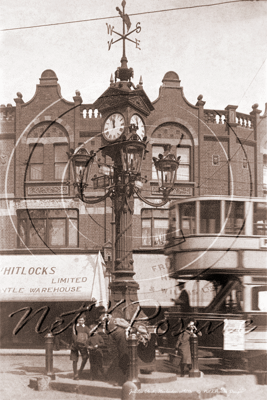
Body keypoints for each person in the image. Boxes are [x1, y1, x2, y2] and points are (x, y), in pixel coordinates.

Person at [70, 314, 90, 380]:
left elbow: (89, 335)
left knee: (85, 357)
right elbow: (73, 335)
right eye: (79, 320)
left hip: (83, 345)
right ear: (77, 320)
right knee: (74, 359)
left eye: (82, 320)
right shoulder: (75, 327)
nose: (81, 321)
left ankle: (80, 371)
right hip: (75, 345)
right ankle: (75, 374)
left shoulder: (86, 328)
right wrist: (75, 343)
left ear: (84, 321)